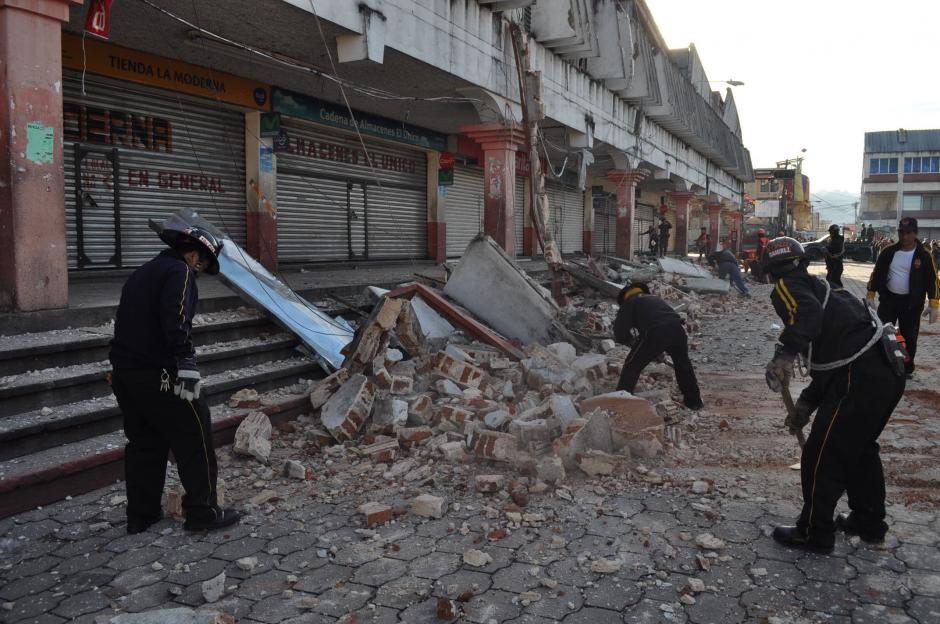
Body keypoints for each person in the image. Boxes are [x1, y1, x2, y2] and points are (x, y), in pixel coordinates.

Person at [761, 237, 906, 553]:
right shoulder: (827, 288)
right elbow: (836, 359)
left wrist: (784, 355)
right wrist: (807, 404)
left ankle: (814, 532)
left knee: (821, 455)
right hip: (885, 369)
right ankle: (868, 523)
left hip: (860, 376)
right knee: (859, 449)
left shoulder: (787, 286)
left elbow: (807, 319)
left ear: (770, 272)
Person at [109, 215, 241, 534]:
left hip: (126, 375)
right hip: (162, 375)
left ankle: (141, 516)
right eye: (201, 263)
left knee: (144, 443)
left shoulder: (143, 272)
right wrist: (186, 365)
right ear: (193, 254)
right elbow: (176, 317)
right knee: (195, 438)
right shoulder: (180, 272)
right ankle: (203, 513)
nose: (198, 270)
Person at [866, 217, 940, 378]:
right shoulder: (888, 251)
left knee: (909, 337)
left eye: (908, 233)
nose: (904, 236)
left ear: (915, 233)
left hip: (912, 303)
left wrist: (934, 303)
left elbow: (932, 279)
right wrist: (871, 293)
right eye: (902, 233)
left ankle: (906, 367)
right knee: (882, 332)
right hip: (889, 300)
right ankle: (882, 364)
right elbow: (876, 273)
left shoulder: (924, 255)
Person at [613, 283, 704, 410]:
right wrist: (655, 352)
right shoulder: (654, 299)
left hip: (655, 332)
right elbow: (662, 320)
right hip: (677, 330)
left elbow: (620, 332)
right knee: (683, 365)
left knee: (631, 366)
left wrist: (631, 343)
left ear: (625, 297)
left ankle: (621, 404)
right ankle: (694, 402)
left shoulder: (629, 303)